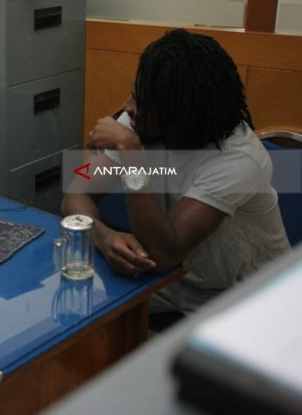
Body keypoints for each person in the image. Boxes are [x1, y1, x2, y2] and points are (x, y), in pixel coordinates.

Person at [62, 28, 290, 315]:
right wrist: (104, 237)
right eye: (134, 94)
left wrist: (131, 156)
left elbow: (165, 252)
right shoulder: (136, 124)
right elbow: (74, 193)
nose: (127, 108)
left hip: (246, 300)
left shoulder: (239, 159)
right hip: (168, 285)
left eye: (142, 102)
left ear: (180, 114)